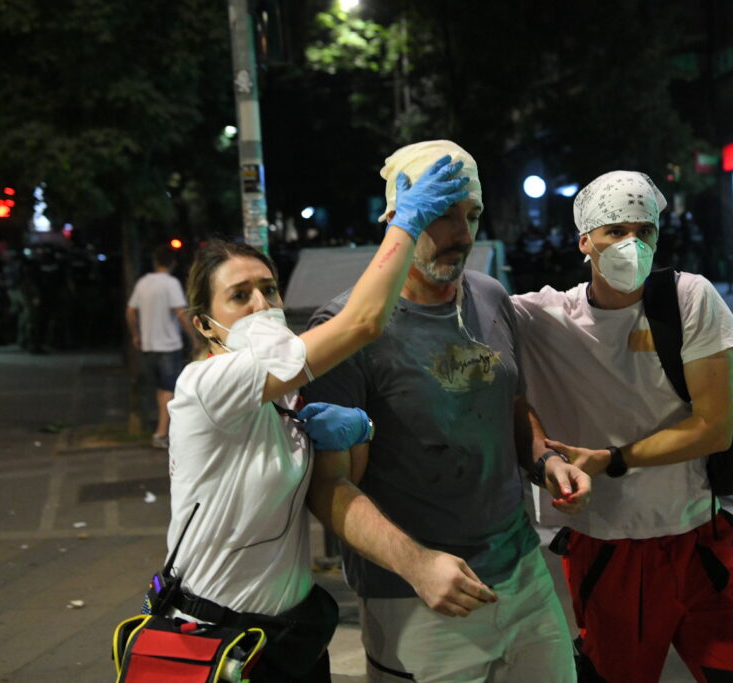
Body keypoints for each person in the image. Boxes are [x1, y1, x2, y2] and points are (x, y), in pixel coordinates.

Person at [165, 156, 500, 682]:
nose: (261, 305)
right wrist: (406, 226)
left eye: (269, 289)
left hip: (287, 635)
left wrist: (358, 432)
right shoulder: (205, 385)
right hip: (216, 639)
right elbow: (362, 322)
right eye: (239, 296)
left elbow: (336, 484)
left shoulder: (282, 396)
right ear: (205, 325)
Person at [302, 140, 589, 683]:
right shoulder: (342, 328)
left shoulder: (489, 295)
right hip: (418, 597)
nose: (462, 233)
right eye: (441, 214)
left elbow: (508, 402)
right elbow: (327, 486)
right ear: (399, 219)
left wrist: (545, 460)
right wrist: (416, 564)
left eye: (472, 215)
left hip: (522, 574)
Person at [511, 170, 733, 683]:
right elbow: (494, 375)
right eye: (615, 231)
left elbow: (715, 426)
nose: (632, 244)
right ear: (585, 241)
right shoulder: (541, 317)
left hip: (699, 542)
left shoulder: (689, 297)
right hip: (609, 549)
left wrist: (613, 460)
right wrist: (546, 460)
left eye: (643, 231)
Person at [125, 246, 194, 449]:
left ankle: (163, 430)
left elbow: (130, 311)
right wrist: (194, 338)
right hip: (169, 345)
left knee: (161, 389)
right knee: (169, 390)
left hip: (148, 346)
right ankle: (162, 433)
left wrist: (135, 335)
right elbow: (180, 313)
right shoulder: (171, 284)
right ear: (173, 263)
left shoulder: (143, 283)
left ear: (155, 262)